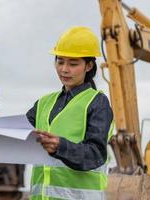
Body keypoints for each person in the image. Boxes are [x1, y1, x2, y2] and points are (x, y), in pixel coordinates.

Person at [26, 26, 113, 200]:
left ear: (88, 66)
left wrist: (60, 146)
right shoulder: (44, 103)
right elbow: (16, 136)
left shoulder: (98, 103)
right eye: (60, 61)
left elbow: (95, 154)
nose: (64, 69)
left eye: (73, 64)